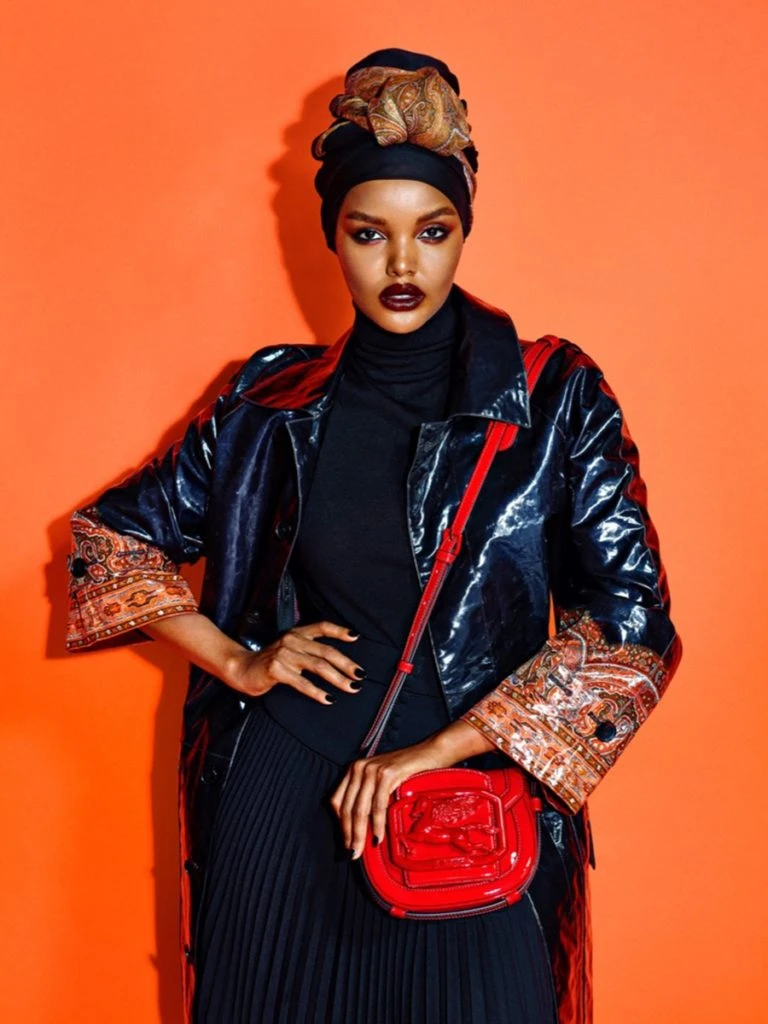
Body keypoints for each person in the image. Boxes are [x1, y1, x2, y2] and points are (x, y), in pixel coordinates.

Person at [65, 48, 682, 1024]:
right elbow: (108, 541)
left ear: (463, 230)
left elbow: (633, 622)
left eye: (432, 231)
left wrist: (439, 749)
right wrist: (239, 662)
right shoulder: (266, 400)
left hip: (471, 809)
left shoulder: (554, 395)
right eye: (369, 233)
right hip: (286, 802)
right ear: (333, 237)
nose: (402, 265)